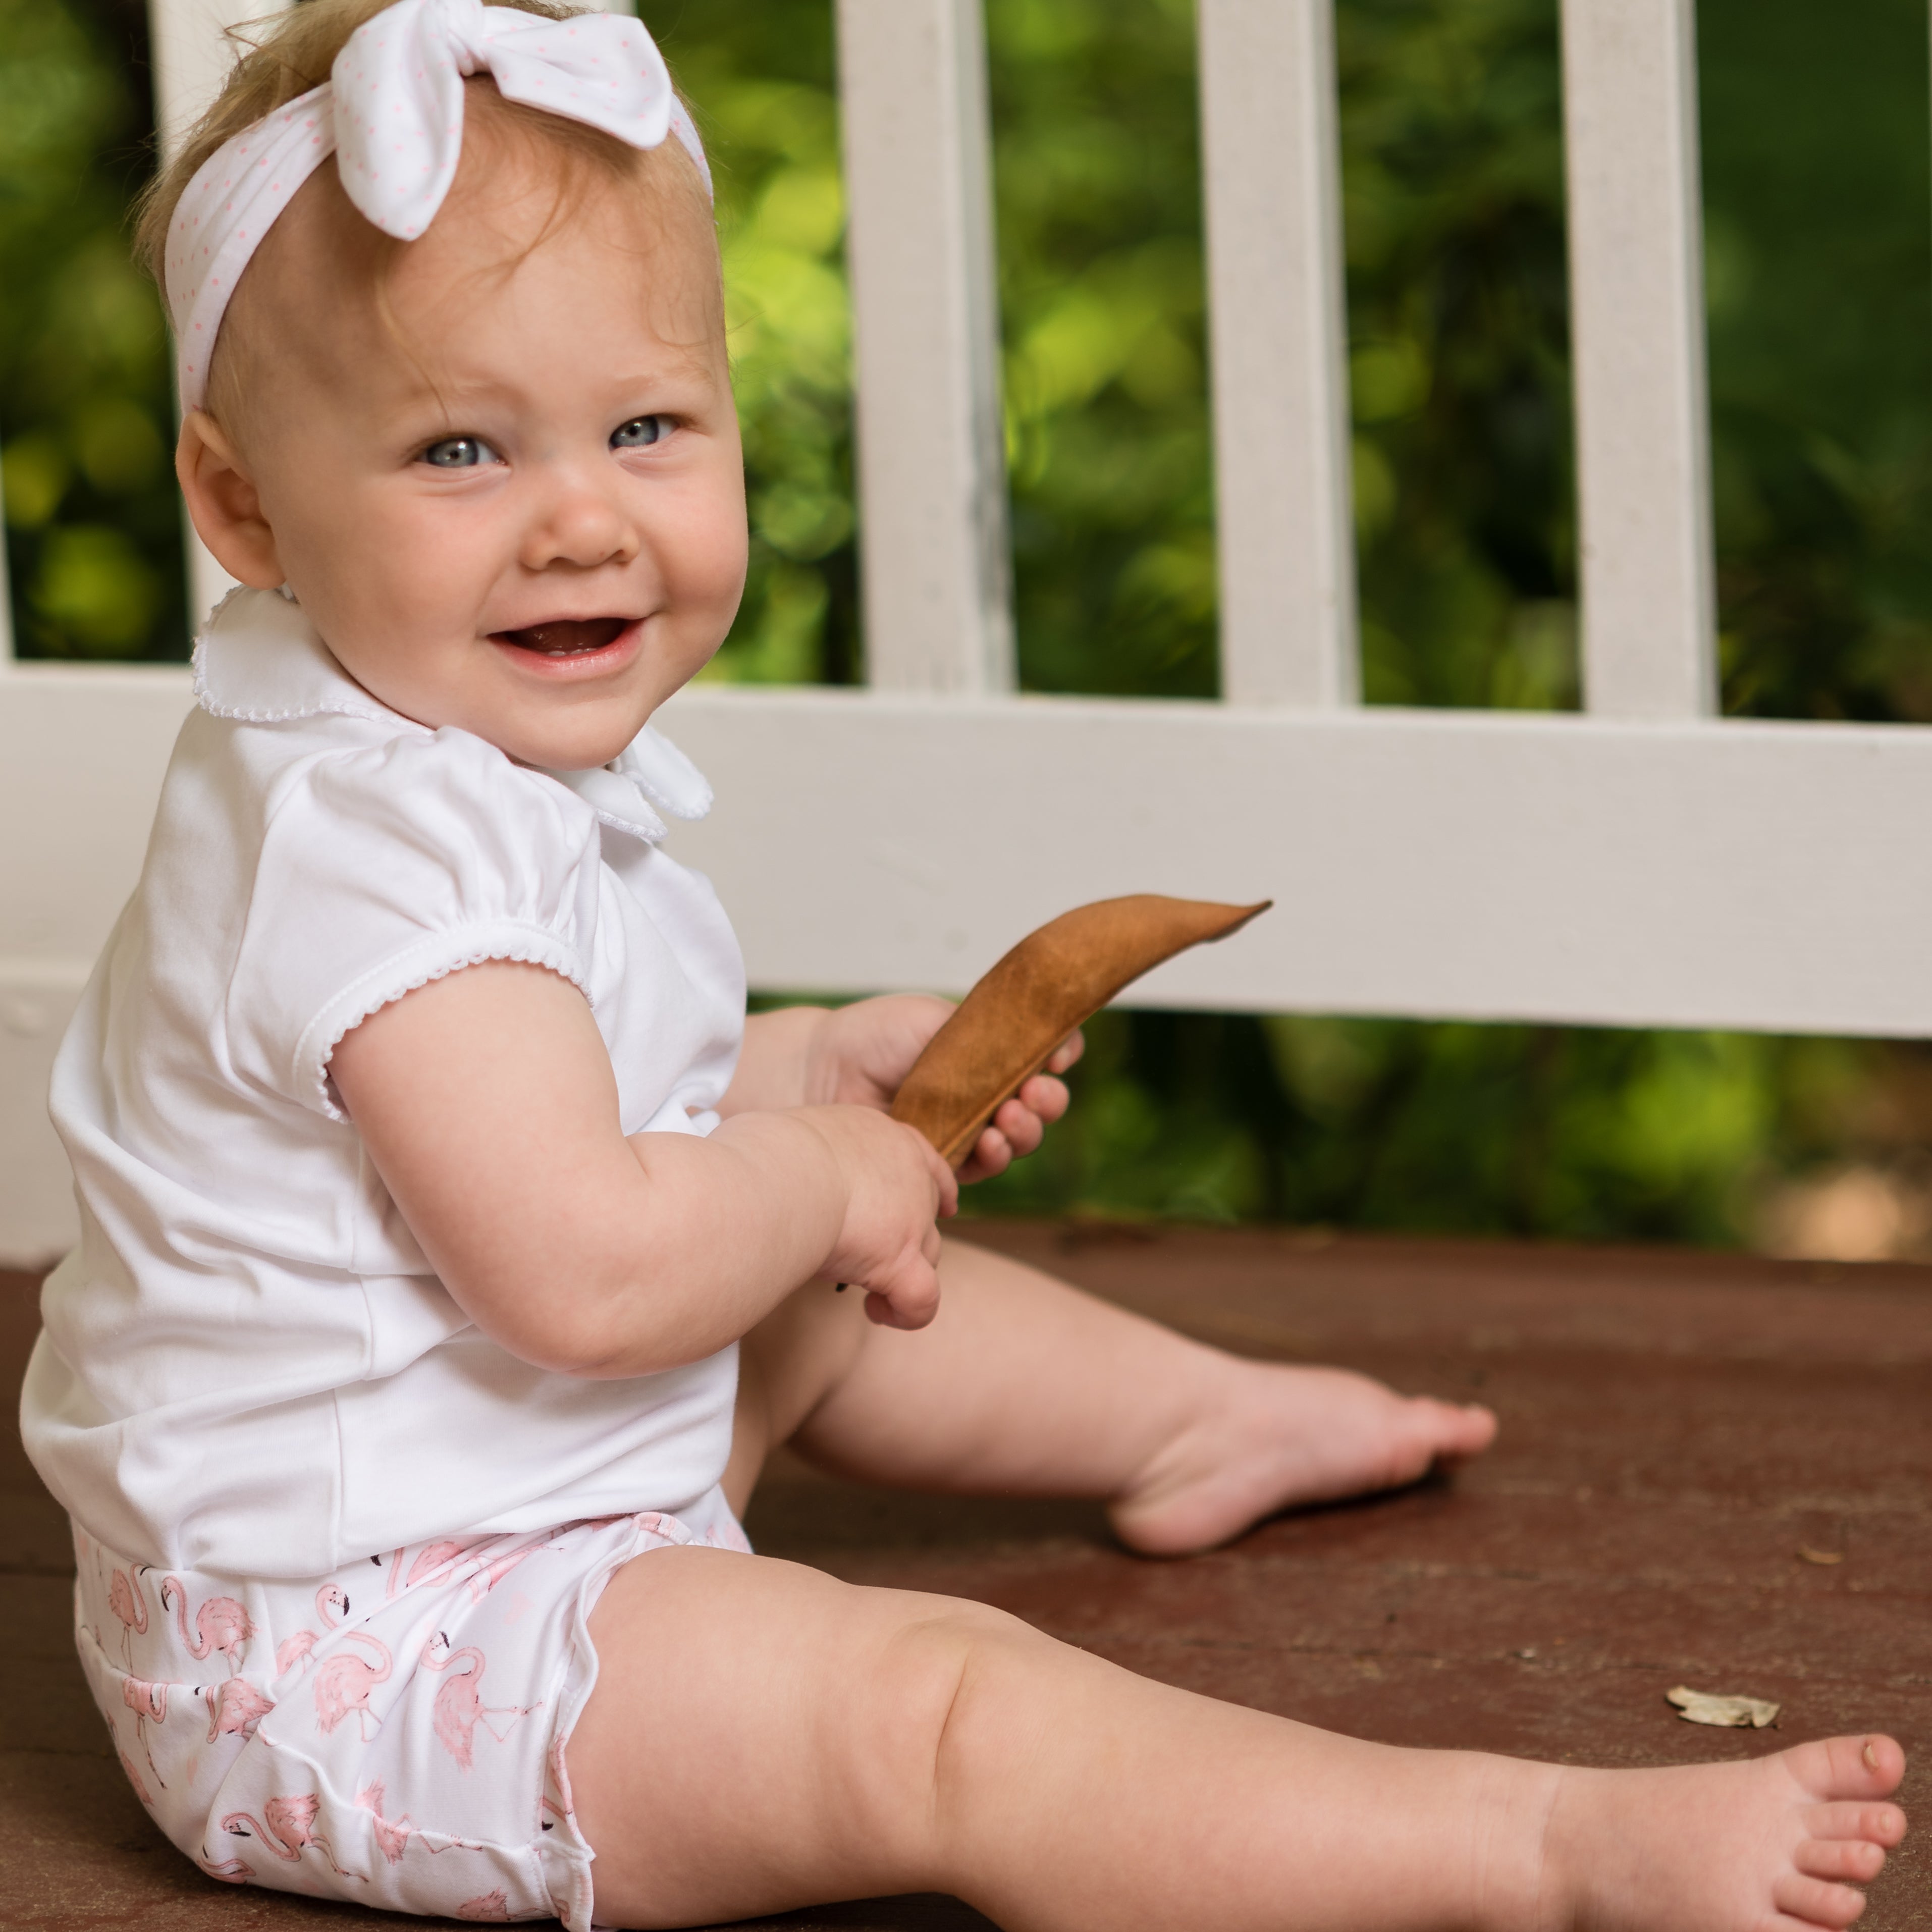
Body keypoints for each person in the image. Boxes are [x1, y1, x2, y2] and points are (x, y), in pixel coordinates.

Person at [20, 2, 1906, 1926]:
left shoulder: (424, 763)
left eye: (646, 424)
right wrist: (821, 1173)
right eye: (457, 448)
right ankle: (1538, 1851)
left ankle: (1192, 1418)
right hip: (367, 1666)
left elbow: (526, 1124)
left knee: (822, 1275)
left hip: (490, 1498)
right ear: (245, 501)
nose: (580, 514)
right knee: (935, 1714)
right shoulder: (377, 852)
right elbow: (585, 1267)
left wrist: (799, 1073)